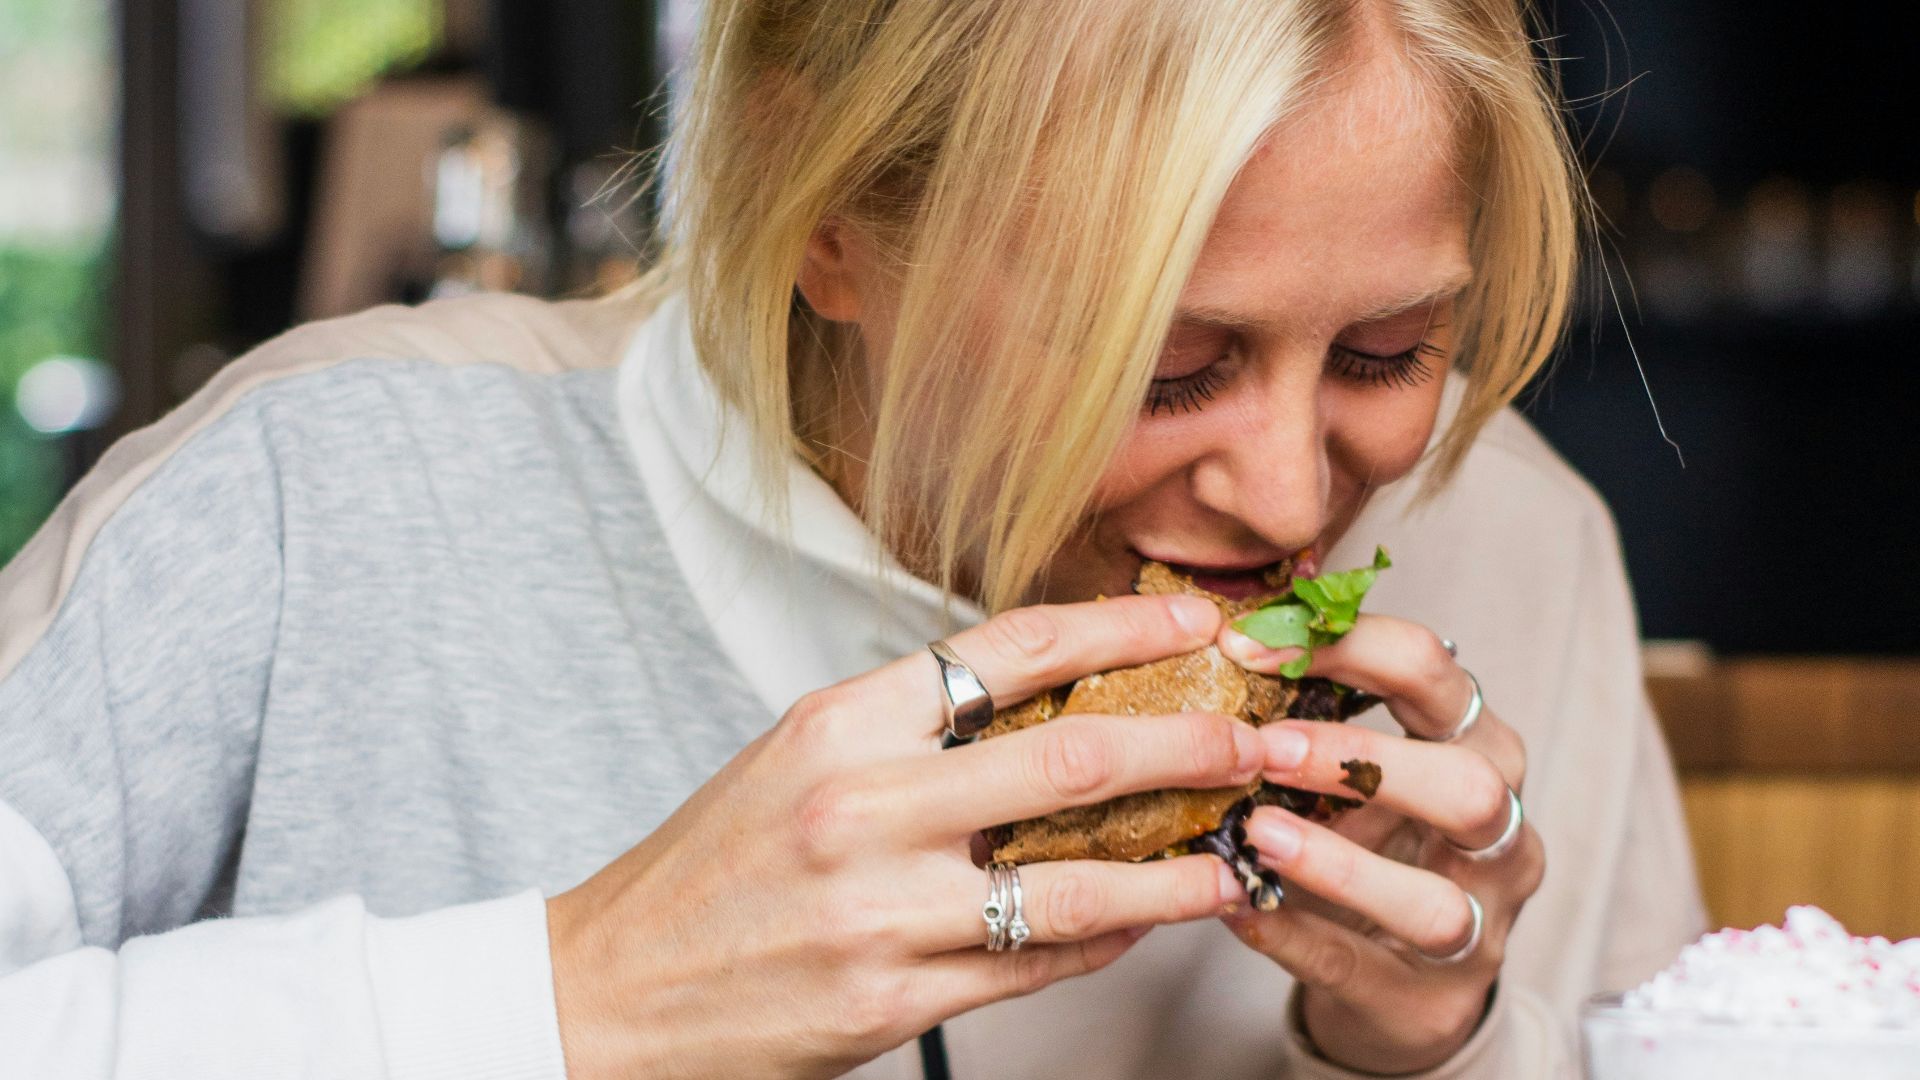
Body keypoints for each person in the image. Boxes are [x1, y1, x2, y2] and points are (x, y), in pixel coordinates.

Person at [0, 0, 1706, 1076]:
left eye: (1390, 354)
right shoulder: (325, 492)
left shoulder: (1520, 543)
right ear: (823, 217)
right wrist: (575, 998)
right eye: (1161, 363)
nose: (1287, 495)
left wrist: (1437, 1050)